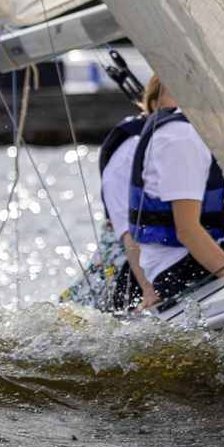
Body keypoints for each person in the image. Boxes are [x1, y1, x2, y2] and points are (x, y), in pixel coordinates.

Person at [123, 83, 224, 306]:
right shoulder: (182, 138)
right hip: (177, 268)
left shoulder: (184, 131)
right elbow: (187, 231)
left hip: (177, 260)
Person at [95, 78, 165, 311]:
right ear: (155, 105)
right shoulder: (128, 157)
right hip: (127, 270)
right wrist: (149, 291)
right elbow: (130, 232)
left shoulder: (181, 144)